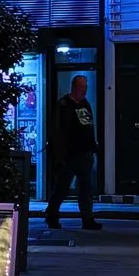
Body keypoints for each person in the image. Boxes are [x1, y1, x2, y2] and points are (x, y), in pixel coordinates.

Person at [43, 72, 102, 233]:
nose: (85, 90)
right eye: (82, 87)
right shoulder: (64, 105)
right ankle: (52, 214)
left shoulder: (85, 104)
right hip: (69, 154)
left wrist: (92, 146)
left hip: (84, 153)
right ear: (75, 87)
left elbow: (89, 125)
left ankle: (87, 218)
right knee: (62, 187)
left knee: (85, 188)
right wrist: (60, 154)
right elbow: (58, 130)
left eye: (86, 87)